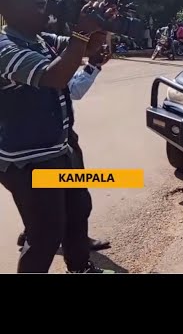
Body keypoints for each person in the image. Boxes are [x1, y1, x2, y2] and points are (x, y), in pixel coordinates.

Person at [0, 0, 115, 273]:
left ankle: (81, 268)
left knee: (77, 214)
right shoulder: (5, 48)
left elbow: (85, 47)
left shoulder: (41, 39)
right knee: (45, 235)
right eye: (39, 5)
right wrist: (80, 32)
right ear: (14, 12)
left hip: (59, 149)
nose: (48, 9)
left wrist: (98, 24)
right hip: (29, 160)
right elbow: (55, 75)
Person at [16, 44, 112, 252]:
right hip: (39, 144)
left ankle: (68, 239)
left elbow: (73, 89)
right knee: (61, 199)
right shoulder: (17, 50)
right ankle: (37, 236)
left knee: (73, 196)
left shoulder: (46, 42)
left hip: (63, 137)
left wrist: (93, 64)